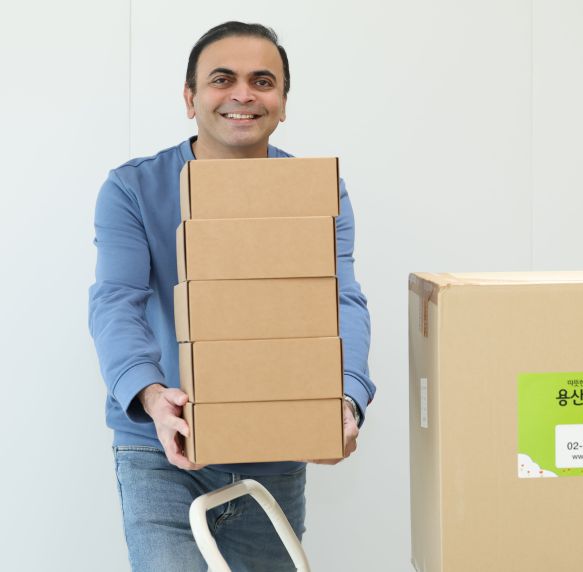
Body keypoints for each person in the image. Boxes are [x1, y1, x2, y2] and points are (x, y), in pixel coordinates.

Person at [88, 21, 374, 571]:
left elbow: (341, 300)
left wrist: (346, 397)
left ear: (283, 103)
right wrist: (151, 396)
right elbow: (116, 302)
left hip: (274, 443)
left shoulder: (316, 192)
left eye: (262, 81)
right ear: (190, 98)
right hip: (164, 444)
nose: (243, 94)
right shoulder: (133, 188)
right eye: (222, 79)